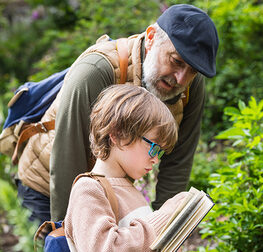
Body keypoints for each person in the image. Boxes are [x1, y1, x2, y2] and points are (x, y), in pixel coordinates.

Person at [15, 3, 219, 223]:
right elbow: (68, 156)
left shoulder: (190, 85)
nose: (181, 78)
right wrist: (65, 232)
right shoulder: (95, 71)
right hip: (48, 186)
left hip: (109, 188)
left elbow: (179, 160)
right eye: (176, 61)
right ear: (150, 38)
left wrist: (165, 228)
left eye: (192, 70)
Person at [64, 84, 188, 251]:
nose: (156, 159)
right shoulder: (88, 189)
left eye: (160, 152)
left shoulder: (131, 190)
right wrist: (163, 218)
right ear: (117, 134)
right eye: (154, 147)